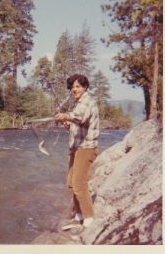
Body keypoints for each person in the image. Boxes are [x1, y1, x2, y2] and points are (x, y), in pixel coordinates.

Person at [55, 74, 99, 231]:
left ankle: (89, 218)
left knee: (79, 184)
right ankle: (79, 214)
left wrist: (66, 116)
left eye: (78, 86)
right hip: (77, 148)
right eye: (72, 87)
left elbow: (79, 117)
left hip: (86, 148)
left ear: (85, 87)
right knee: (71, 183)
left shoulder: (86, 101)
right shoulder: (79, 103)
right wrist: (69, 124)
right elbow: (79, 124)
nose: (74, 89)